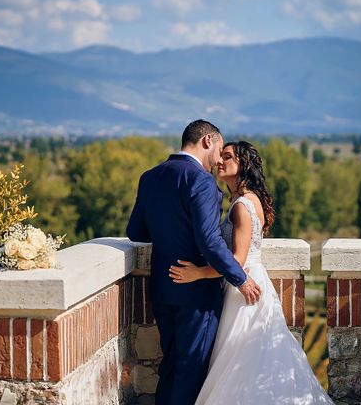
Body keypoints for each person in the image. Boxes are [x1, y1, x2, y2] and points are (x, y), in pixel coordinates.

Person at [169, 141, 334, 404]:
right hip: (254, 281)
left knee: (240, 357)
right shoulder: (246, 200)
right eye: (220, 156)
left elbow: (236, 260)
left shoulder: (241, 206)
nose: (220, 161)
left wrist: (198, 273)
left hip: (243, 288)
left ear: (243, 164)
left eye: (228, 157)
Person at [126, 120, 261, 405]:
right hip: (196, 296)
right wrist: (241, 278)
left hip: (162, 287)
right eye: (220, 150)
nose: (218, 159)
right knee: (191, 369)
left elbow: (136, 232)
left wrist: (170, 229)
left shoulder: (149, 176)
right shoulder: (201, 181)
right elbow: (209, 241)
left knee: (171, 365)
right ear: (208, 141)